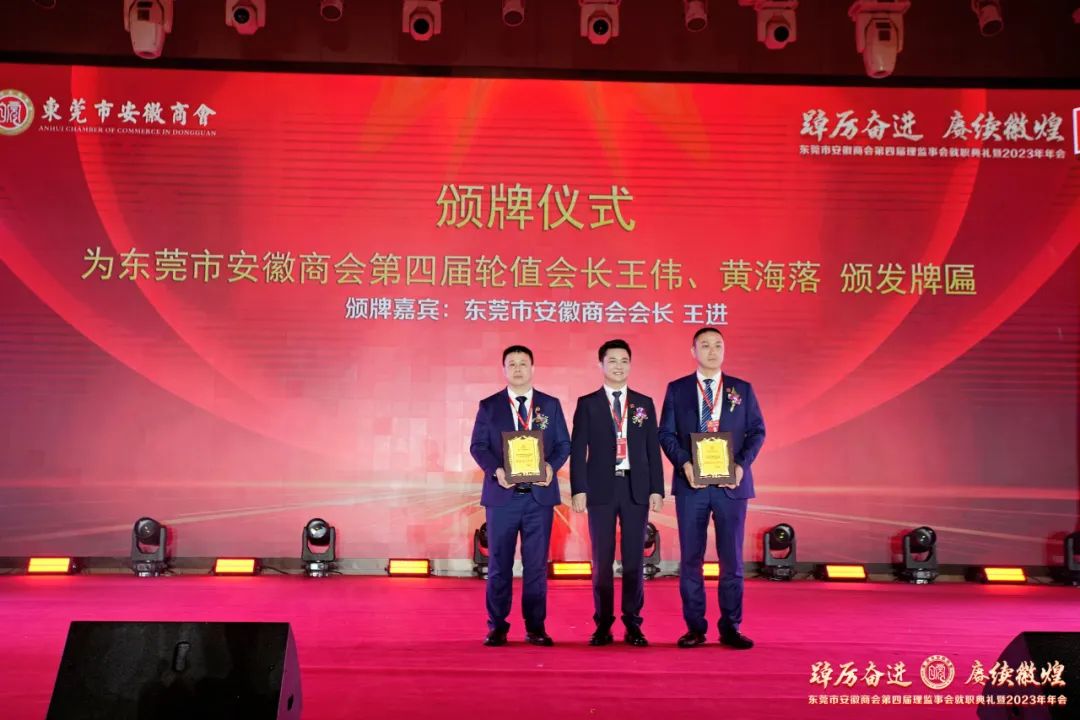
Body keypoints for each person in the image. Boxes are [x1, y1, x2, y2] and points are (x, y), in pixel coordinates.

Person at [658, 327, 765, 650]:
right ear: (693, 352)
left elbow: (757, 432)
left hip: (731, 486)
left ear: (724, 350)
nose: (712, 350)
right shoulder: (678, 389)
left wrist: (740, 465)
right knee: (691, 559)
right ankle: (695, 628)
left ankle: (731, 627)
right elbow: (666, 434)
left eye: (718, 345)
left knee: (732, 560)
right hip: (692, 485)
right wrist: (684, 464)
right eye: (704, 345)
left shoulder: (741, 389)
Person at [470, 345, 571, 647]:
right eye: (511, 364)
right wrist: (496, 470)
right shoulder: (490, 406)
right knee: (499, 565)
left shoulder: (550, 405)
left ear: (533, 368)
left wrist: (551, 467)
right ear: (504, 369)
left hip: (538, 498)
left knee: (536, 566)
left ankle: (535, 627)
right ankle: (497, 626)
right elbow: (478, 446)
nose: (517, 369)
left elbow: (563, 445)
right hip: (503, 497)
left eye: (523, 363)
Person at [570, 339, 664, 647]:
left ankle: (633, 623)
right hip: (600, 489)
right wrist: (579, 489)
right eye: (612, 361)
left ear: (630, 364)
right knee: (602, 561)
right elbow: (578, 450)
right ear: (601, 364)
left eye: (624, 361)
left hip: (636, 489)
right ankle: (603, 624)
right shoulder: (588, 404)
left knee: (635, 560)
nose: (619, 366)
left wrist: (657, 489)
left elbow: (652, 449)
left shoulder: (644, 403)